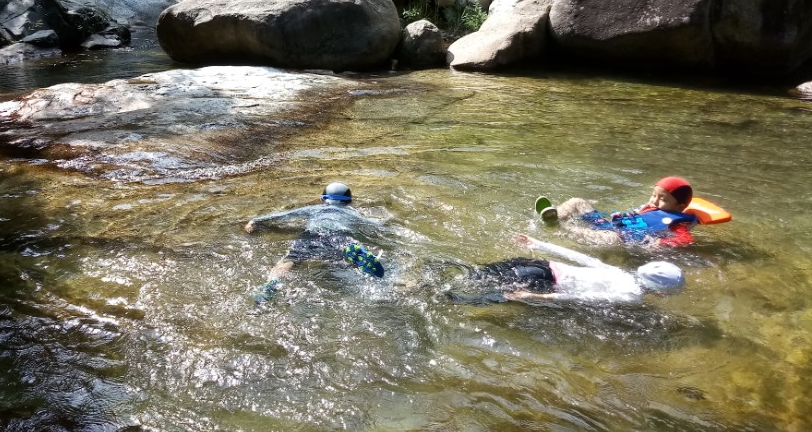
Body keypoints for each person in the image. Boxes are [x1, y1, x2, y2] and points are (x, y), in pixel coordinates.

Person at [244, 182, 388, 302]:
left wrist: (256, 220)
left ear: (323, 199)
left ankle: (272, 284)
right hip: (338, 235)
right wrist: (385, 223)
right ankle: (360, 264)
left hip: (312, 234)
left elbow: (285, 216)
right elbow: (372, 226)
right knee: (342, 256)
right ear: (349, 201)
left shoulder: (314, 209)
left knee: (291, 259)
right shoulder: (352, 213)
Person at [445, 234, 685, 305]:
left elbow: (581, 257)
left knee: (472, 275)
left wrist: (538, 244)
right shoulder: (630, 296)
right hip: (538, 280)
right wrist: (536, 297)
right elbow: (582, 297)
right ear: (660, 291)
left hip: (541, 264)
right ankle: (434, 293)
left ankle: (429, 272)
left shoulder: (620, 272)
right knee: (472, 294)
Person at [539, 176, 700, 248]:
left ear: (679, 207)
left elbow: (685, 239)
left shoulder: (675, 222)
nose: (654, 201)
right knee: (578, 202)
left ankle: (557, 226)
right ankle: (555, 215)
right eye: (654, 195)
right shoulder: (650, 208)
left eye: (662, 199)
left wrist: (661, 243)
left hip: (619, 238)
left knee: (597, 235)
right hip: (609, 225)